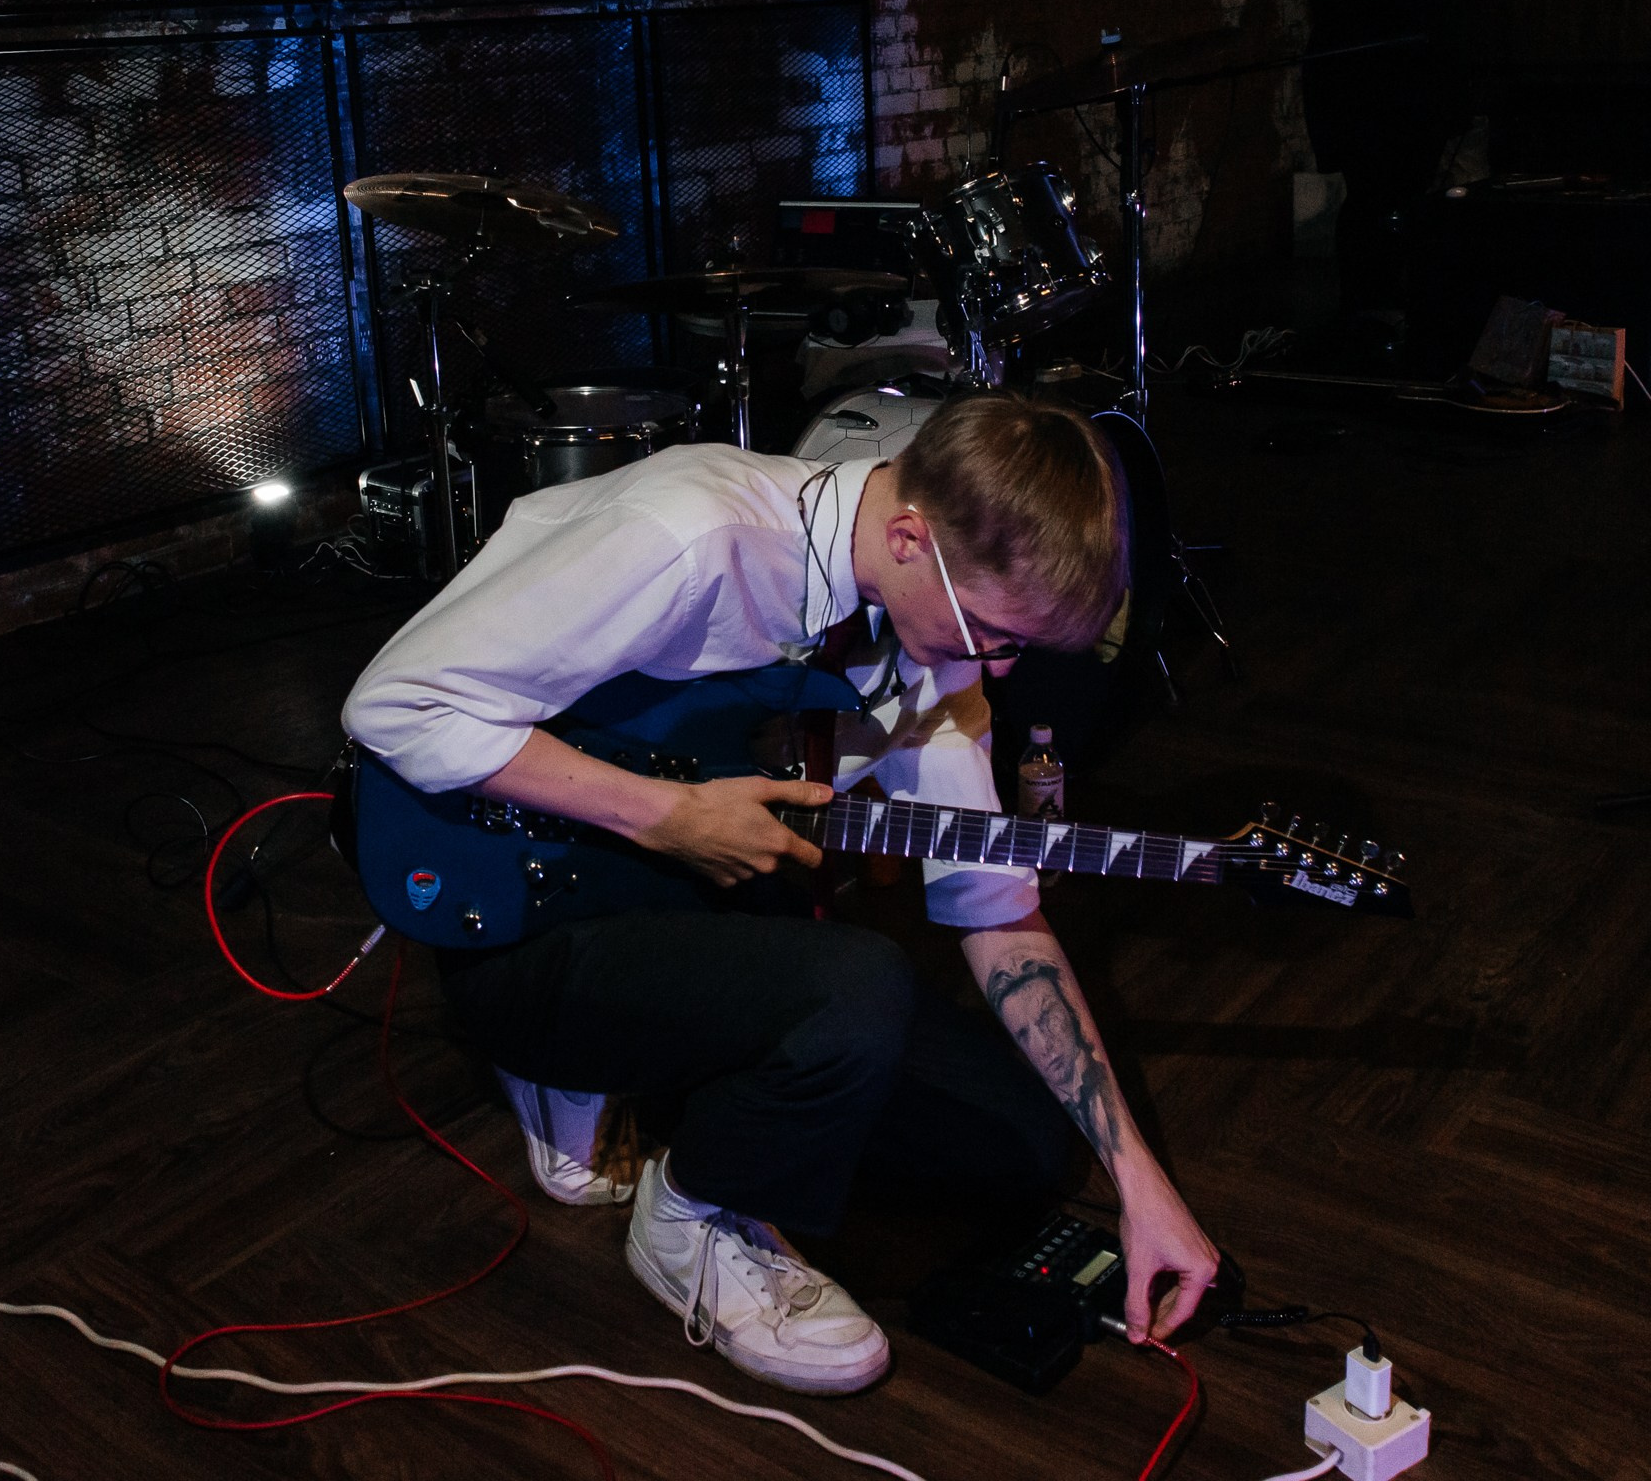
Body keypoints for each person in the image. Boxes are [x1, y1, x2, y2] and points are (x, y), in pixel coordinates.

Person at [340, 394, 1221, 1396]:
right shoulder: (691, 535)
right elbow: (391, 702)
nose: (998, 667)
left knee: (1018, 1139)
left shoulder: (930, 639)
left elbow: (997, 911)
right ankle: (687, 1216)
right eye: (994, 634)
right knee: (861, 990)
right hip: (511, 905)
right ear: (907, 534)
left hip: (677, 902)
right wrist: (663, 814)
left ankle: (639, 1062)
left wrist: (1140, 1183)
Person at [1303, 0, 1472, 325]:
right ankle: (1365, 306)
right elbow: (1340, 3)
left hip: (1422, 89)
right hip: (1365, 96)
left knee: (1413, 197)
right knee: (1372, 198)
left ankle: (1405, 302)